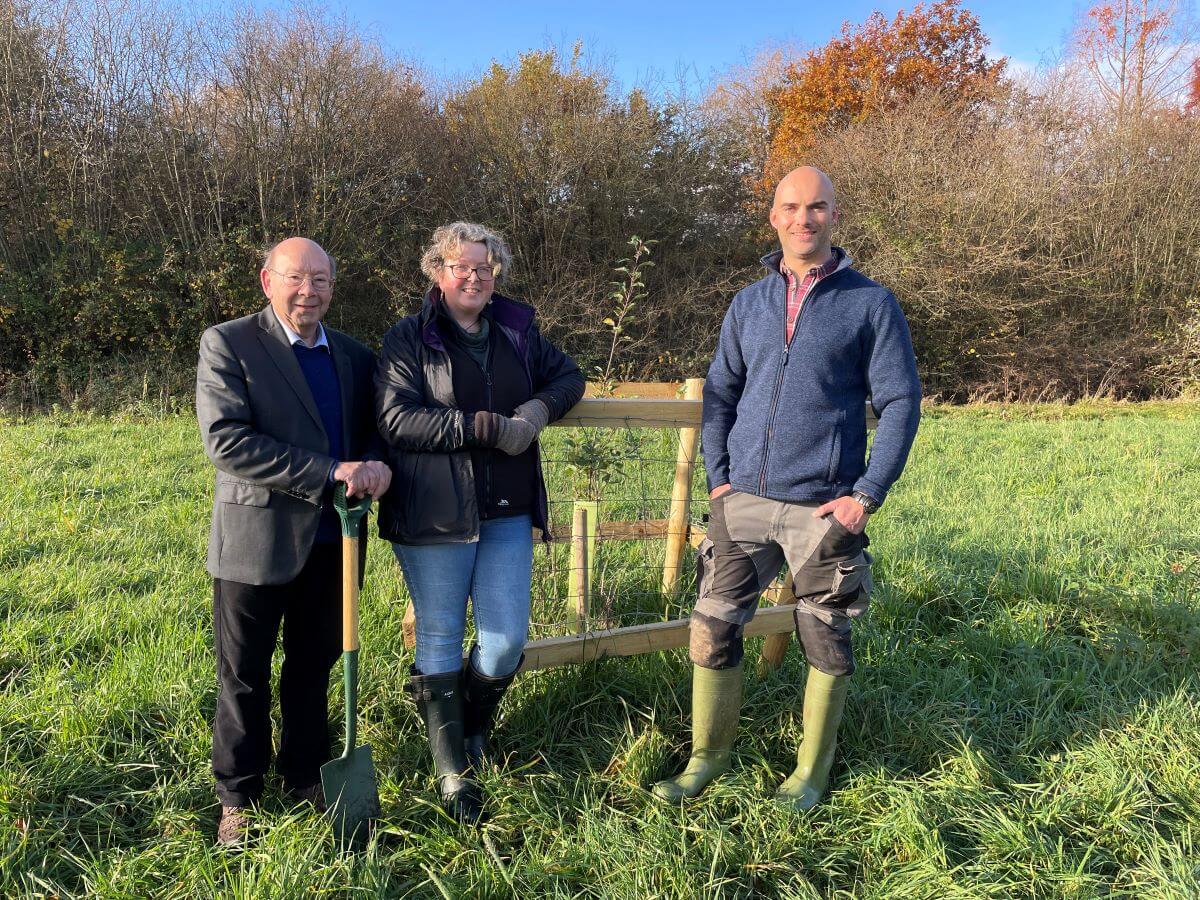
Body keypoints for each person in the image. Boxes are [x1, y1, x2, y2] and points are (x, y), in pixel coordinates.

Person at [653, 167, 921, 811]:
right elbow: (721, 392)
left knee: (824, 636)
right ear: (773, 217)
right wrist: (719, 480)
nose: (805, 218)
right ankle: (708, 757)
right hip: (741, 501)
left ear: (834, 216)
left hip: (825, 508)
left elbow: (901, 401)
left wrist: (867, 493)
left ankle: (810, 773)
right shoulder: (747, 303)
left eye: (818, 208)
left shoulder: (871, 304)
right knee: (713, 625)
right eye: (792, 207)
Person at [375, 222, 584, 824]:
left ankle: (469, 721)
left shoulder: (517, 333)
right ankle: (453, 768)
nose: (473, 277)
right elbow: (396, 420)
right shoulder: (408, 339)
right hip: (435, 512)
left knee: (505, 640)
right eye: (461, 266)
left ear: (497, 279)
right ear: (437, 273)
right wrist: (482, 428)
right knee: (439, 634)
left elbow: (569, 377)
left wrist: (538, 412)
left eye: (485, 269)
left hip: (507, 511)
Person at [196, 237, 391, 846]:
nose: (309, 292)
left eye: (321, 281)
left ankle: (305, 773)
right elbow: (226, 440)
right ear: (267, 281)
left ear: (334, 286)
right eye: (296, 279)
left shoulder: (356, 356)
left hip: (337, 538)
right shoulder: (229, 343)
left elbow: (375, 431)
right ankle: (239, 795)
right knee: (244, 672)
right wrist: (328, 471)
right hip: (256, 536)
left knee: (314, 665)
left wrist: (377, 464)